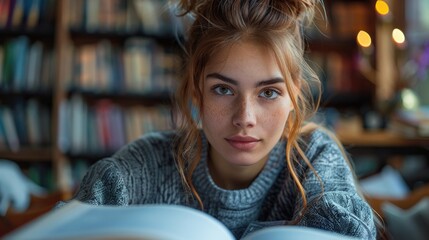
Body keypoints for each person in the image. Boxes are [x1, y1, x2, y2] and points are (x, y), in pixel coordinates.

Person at [59, 0, 378, 239]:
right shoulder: (144, 167)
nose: (245, 118)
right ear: (197, 91)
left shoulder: (314, 161)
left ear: (294, 94)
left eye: (268, 93)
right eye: (223, 89)